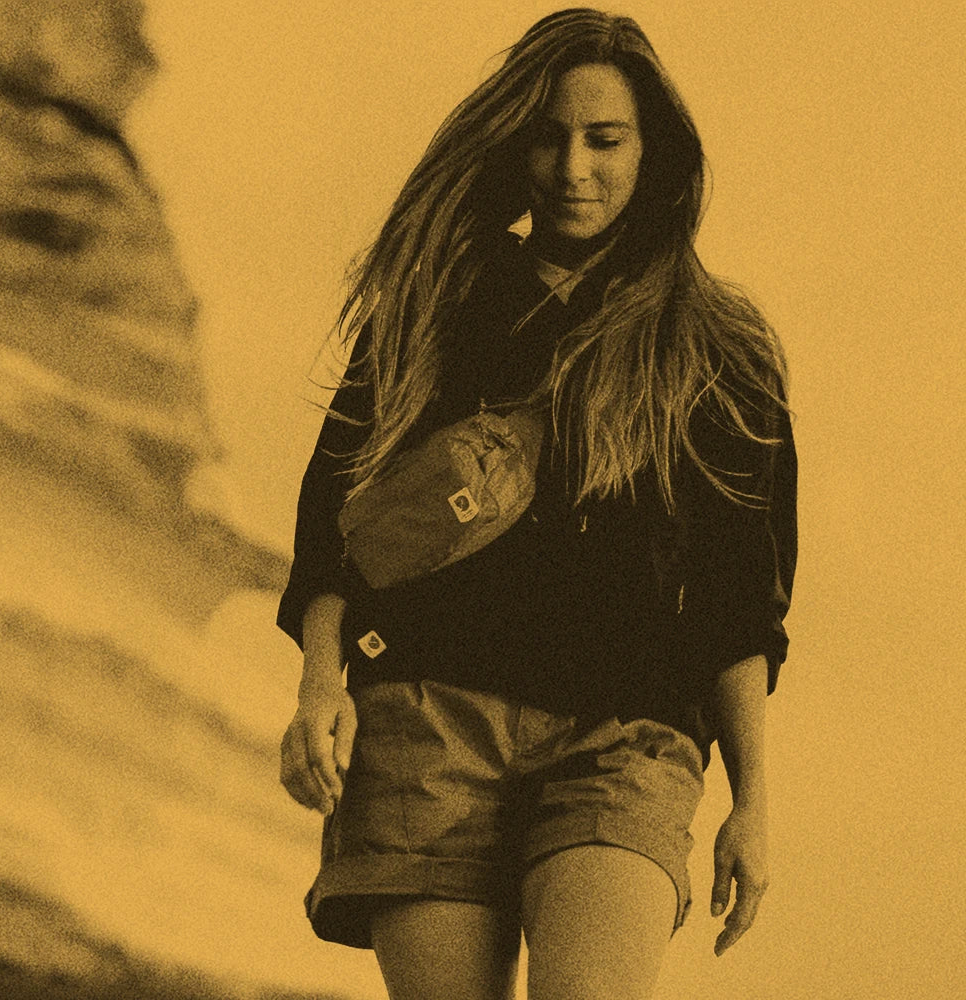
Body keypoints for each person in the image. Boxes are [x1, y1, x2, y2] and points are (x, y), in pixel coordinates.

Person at [277, 8, 797, 1000]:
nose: (572, 168)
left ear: (653, 152)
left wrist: (752, 803)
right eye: (548, 138)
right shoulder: (433, 308)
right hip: (426, 720)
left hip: (625, 733)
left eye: (605, 140)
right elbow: (334, 518)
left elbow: (740, 601)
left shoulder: (718, 345)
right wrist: (317, 686)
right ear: (514, 145)